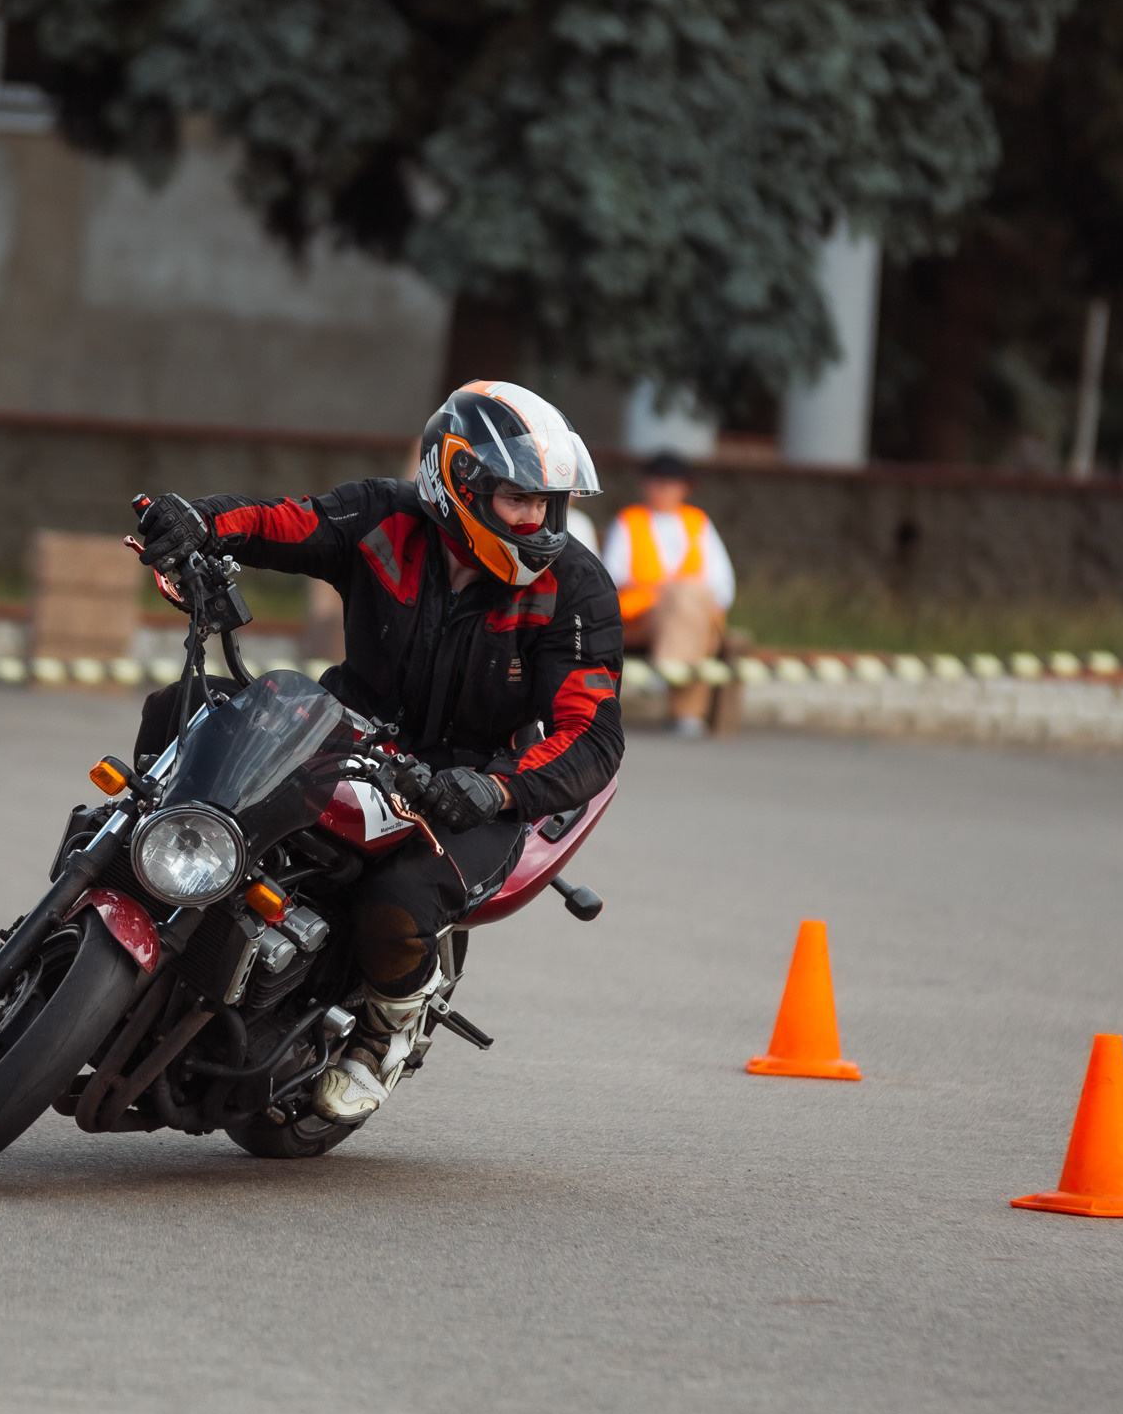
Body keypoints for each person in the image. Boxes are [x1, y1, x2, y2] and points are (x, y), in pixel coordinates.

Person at [132, 381, 624, 1122]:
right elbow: (280, 523)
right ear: (458, 481)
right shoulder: (384, 516)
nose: (537, 521)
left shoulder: (574, 588)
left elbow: (592, 732)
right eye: (518, 499)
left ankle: (389, 1027)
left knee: (397, 907)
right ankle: (130, 857)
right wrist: (197, 519)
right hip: (342, 724)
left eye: (548, 505)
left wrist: (496, 790)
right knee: (181, 711)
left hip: (471, 781)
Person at [601, 450, 736, 735]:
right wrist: (669, 592)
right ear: (645, 485)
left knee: (689, 601)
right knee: (686, 602)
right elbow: (611, 577)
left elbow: (723, 583)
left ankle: (666, 669)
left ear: (684, 487)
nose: (662, 489)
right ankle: (687, 713)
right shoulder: (629, 521)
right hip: (640, 617)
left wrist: (682, 595)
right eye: (656, 482)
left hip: (694, 614)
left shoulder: (698, 522)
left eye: (670, 483)